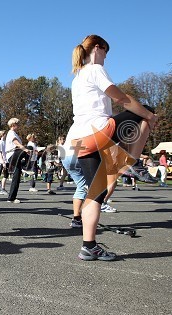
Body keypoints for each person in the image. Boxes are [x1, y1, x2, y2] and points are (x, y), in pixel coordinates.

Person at [68, 35, 157, 261]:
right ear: (98, 48)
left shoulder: (77, 77)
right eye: (106, 52)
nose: (107, 57)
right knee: (145, 110)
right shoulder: (95, 68)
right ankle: (133, 163)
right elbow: (121, 99)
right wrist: (149, 116)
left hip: (78, 140)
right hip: (96, 131)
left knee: (95, 194)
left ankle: (89, 246)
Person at [5, 118, 32, 203]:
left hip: (15, 155)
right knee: (29, 148)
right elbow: (16, 143)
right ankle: (26, 167)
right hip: (12, 155)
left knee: (16, 177)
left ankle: (11, 198)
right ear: (13, 125)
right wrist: (25, 149)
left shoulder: (14, 134)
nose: (19, 126)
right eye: (18, 124)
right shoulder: (11, 133)